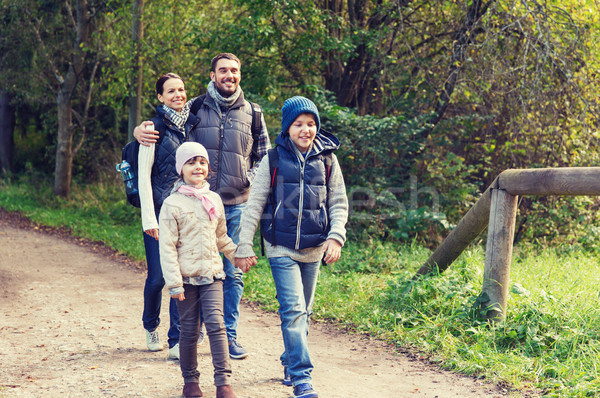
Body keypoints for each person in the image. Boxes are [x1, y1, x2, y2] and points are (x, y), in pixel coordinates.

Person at [134, 53, 270, 360]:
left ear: (240, 74)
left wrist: (246, 179)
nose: (229, 75)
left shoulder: (254, 113)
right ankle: (179, 337)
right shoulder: (194, 107)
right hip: (191, 205)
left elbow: (264, 156)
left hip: (235, 205)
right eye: (223, 70)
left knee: (232, 275)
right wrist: (139, 131)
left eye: (234, 70)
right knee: (181, 269)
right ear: (212, 75)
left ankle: (228, 336)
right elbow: (165, 125)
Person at [234, 96, 348, 398]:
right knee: (294, 310)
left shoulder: (327, 159)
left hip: (314, 247)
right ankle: (301, 378)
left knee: (305, 311)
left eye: (311, 124)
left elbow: (338, 202)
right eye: (299, 124)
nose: (306, 130)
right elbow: (255, 203)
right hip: (279, 246)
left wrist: (336, 237)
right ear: (287, 128)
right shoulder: (272, 158)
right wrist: (244, 245)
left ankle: (289, 359)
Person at [160, 142, 245, 398]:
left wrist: (237, 256)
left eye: (202, 162)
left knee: (217, 325)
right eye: (191, 162)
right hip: (185, 279)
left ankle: (223, 382)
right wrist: (174, 283)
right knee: (189, 330)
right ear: (181, 169)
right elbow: (167, 247)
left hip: (213, 276)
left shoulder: (214, 199)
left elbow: (221, 237)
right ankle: (190, 381)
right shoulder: (172, 204)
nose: (198, 167)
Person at [138, 72, 200, 360]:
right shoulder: (152, 128)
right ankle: (151, 325)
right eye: (171, 91)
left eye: (182, 89)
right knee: (159, 278)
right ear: (160, 97)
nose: (178, 94)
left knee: (182, 278)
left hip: (187, 216)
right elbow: (143, 178)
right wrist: (149, 220)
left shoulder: (193, 124)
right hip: (160, 216)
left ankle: (177, 339)